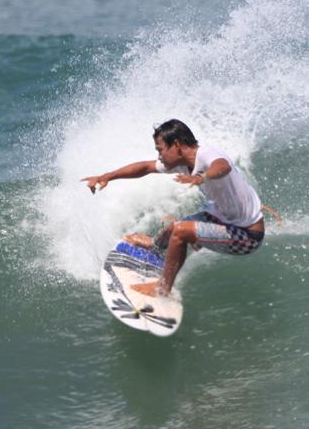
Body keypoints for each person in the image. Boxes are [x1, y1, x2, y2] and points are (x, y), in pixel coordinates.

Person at [81, 119, 265, 297]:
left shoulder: (207, 154)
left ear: (176, 145)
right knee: (172, 229)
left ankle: (162, 289)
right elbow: (145, 167)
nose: (159, 156)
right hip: (221, 217)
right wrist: (107, 176)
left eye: (160, 150)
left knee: (180, 231)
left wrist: (201, 178)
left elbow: (222, 166)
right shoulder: (183, 162)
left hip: (247, 235)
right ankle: (155, 247)